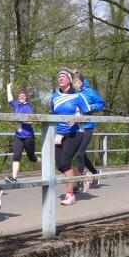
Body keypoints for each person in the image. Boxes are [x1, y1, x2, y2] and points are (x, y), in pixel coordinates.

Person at [50, 69, 93, 206]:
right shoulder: (54, 97)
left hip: (75, 132)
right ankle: (83, 177)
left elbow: (88, 113)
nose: (61, 78)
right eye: (59, 76)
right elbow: (53, 115)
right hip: (59, 134)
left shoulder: (78, 96)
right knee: (60, 166)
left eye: (64, 76)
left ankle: (70, 195)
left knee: (65, 163)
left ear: (69, 80)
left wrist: (77, 119)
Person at [72, 72, 105, 191]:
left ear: (81, 82)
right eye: (73, 82)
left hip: (88, 126)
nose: (74, 84)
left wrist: (92, 107)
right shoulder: (73, 94)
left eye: (76, 81)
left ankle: (78, 182)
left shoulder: (90, 92)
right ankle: (95, 173)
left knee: (80, 154)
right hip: (76, 127)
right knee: (81, 154)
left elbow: (101, 104)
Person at [4, 82, 40, 183]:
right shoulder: (16, 105)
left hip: (28, 136)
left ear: (26, 98)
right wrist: (8, 87)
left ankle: (45, 165)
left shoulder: (28, 108)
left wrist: (19, 119)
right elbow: (10, 99)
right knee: (16, 156)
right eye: (20, 96)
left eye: (23, 96)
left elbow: (31, 121)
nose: (21, 97)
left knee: (31, 157)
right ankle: (14, 178)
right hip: (18, 136)